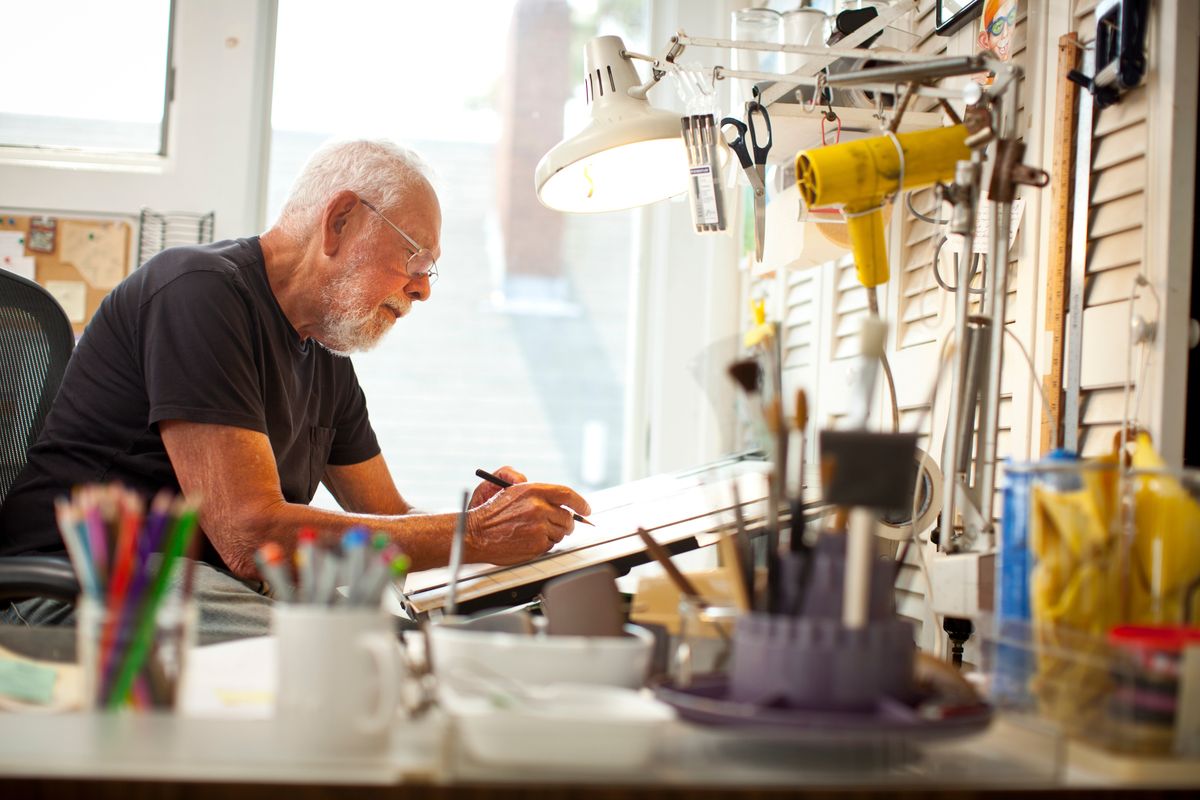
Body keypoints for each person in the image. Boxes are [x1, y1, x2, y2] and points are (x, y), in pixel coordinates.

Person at [0, 139, 589, 635]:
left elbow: (390, 518)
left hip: (192, 588)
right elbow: (250, 536)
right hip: (74, 585)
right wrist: (472, 536)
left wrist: (479, 518)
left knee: (398, 643)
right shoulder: (197, 292)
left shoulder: (324, 352)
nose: (422, 289)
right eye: (415, 258)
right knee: (361, 660)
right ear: (339, 221)